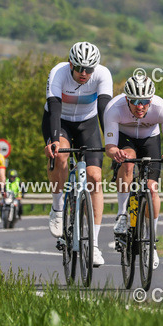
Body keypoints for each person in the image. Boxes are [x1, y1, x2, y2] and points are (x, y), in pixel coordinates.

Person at [43, 41, 113, 267]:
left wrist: (111, 142)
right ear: (71, 64)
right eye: (80, 68)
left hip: (87, 123)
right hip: (60, 121)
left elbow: (105, 111)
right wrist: (54, 140)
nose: (84, 74)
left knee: (95, 177)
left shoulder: (102, 74)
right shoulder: (58, 73)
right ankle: (57, 207)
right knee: (60, 156)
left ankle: (92, 244)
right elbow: (54, 107)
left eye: (89, 69)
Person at [104, 74, 163, 270]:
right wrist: (116, 153)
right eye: (135, 101)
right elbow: (110, 147)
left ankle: (151, 242)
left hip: (149, 141)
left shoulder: (162, 108)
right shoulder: (114, 108)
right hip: (125, 139)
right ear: (127, 99)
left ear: (151, 100)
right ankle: (122, 215)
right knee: (127, 161)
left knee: (152, 189)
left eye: (145, 102)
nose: (140, 106)